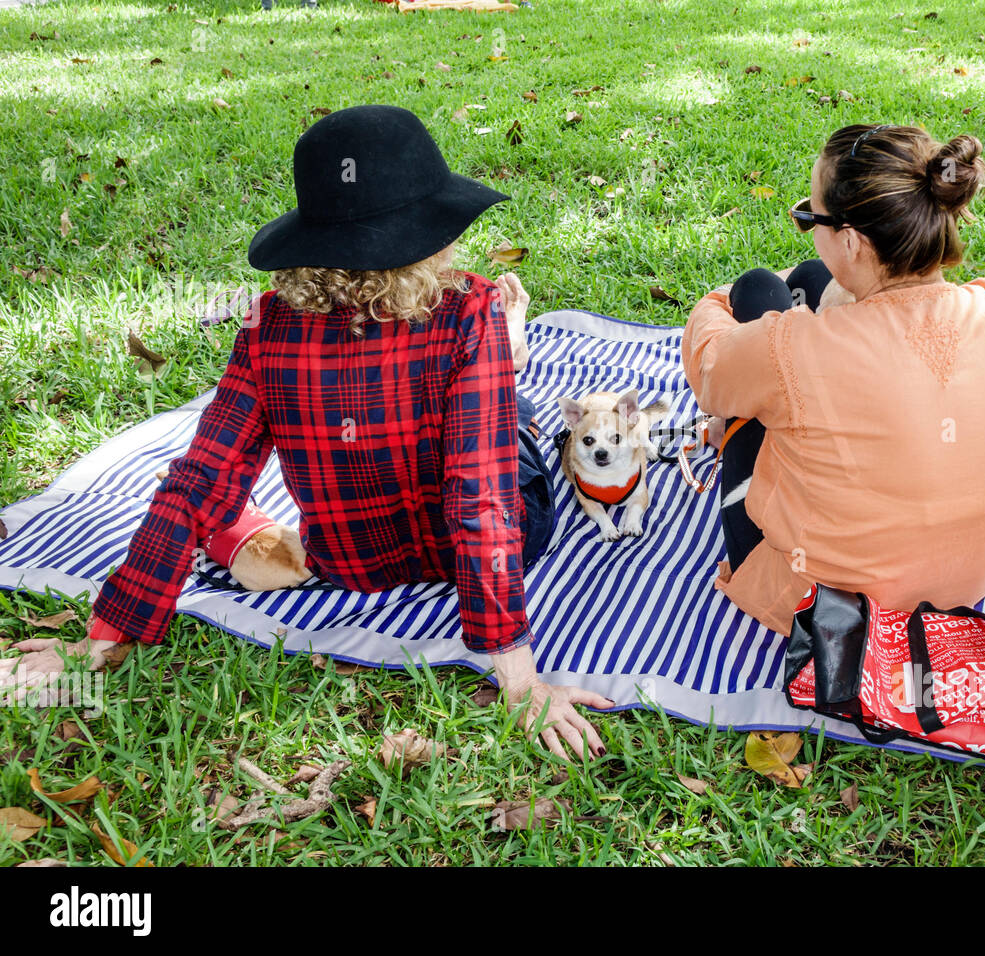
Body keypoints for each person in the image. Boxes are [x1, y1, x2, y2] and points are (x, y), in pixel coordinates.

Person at [1, 105, 611, 761]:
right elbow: (481, 495)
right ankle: (510, 362)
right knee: (514, 419)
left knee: (483, 406)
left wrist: (107, 632)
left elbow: (200, 480)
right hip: (513, 536)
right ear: (433, 234)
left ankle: (503, 370)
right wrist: (519, 680)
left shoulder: (267, 327)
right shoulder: (472, 309)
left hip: (351, 567)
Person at [681, 123, 985, 635]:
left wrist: (722, 300)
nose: (806, 226)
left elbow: (710, 369)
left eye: (808, 217)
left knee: (758, 289)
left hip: (825, 607)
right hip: (965, 585)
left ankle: (739, 431)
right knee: (810, 277)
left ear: (852, 241)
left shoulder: (791, 348)